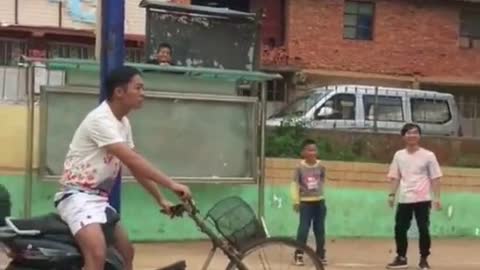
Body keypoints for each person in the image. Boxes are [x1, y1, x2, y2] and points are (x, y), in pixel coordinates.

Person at [53, 66, 191, 270]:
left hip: (98, 200)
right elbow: (133, 160)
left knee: (126, 251)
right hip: (78, 197)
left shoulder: (123, 122)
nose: (143, 93)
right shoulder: (100, 120)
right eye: (138, 87)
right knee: (97, 254)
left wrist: (160, 198)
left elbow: (134, 167)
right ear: (119, 92)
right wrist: (171, 184)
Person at [386, 123, 442, 270]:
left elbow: (435, 178)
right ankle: (401, 257)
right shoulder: (399, 155)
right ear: (403, 136)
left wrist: (437, 198)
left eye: (415, 132)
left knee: (423, 229)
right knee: (400, 228)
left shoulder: (428, 155)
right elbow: (395, 176)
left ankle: (424, 259)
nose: (412, 135)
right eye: (409, 133)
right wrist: (392, 195)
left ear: (419, 136)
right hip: (405, 198)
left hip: (423, 199)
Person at [291, 139, 327, 266]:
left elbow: (322, 179)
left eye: (314, 150)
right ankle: (299, 253)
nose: (312, 153)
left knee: (320, 229)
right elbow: (295, 183)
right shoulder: (299, 167)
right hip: (305, 203)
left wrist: (319, 193)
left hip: (319, 202)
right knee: (303, 229)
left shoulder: (321, 166)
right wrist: (296, 200)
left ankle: (320, 254)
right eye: (309, 150)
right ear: (303, 152)